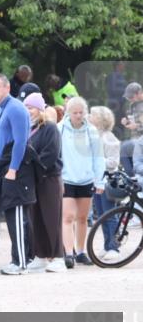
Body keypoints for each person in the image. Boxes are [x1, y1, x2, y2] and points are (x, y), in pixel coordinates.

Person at [0, 73, 37, 275]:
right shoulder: (1, 109)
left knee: (16, 215)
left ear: (7, 88)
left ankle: (21, 262)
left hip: (15, 168)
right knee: (11, 215)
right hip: (4, 166)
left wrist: (13, 169)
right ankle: (19, 259)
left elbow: (20, 141)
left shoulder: (15, 108)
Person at [59, 96, 104, 267]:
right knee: (68, 217)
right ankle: (68, 253)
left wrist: (99, 181)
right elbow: (56, 154)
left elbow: (98, 157)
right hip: (66, 179)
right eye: (75, 112)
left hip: (86, 180)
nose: (78, 115)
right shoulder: (60, 129)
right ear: (68, 113)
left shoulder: (91, 131)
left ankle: (80, 252)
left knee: (83, 218)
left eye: (81, 112)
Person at [23, 93, 66, 272]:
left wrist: (33, 169)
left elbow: (51, 153)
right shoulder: (27, 128)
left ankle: (58, 257)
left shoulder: (49, 128)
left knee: (52, 218)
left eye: (31, 107)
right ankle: (40, 255)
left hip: (49, 178)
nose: (28, 111)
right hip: (33, 180)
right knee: (36, 218)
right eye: (25, 107)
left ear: (40, 109)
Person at [90, 105, 122, 259]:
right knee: (102, 214)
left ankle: (114, 247)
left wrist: (97, 160)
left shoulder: (108, 137)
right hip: (97, 180)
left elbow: (113, 162)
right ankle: (107, 244)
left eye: (92, 115)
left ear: (101, 119)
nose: (89, 117)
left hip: (108, 180)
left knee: (109, 214)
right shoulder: (94, 135)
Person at [120, 82, 143, 175]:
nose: (129, 99)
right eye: (128, 97)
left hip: (140, 141)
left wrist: (137, 127)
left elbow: (138, 124)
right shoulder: (133, 105)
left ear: (139, 93)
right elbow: (134, 120)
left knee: (124, 147)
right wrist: (127, 122)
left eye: (131, 97)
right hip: (135, 139)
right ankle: (132, 177)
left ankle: (133, 176)